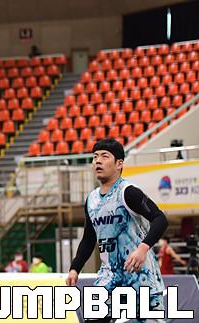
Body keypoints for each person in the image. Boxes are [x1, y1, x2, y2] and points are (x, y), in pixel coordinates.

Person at [66, 138, 168, 323]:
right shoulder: (92, 199)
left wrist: (143, 248)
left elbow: (160, 219)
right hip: (109, 278)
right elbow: (88, 239)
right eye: (95, 157)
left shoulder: (128, 192)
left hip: (141, 278)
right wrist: (75, 268)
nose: (98, 161)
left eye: (104, 156)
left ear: (119, 164)